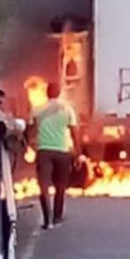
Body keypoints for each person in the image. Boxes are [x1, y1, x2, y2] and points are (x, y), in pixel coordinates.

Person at [28, 83, 82, 230]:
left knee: (44, 186)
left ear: (47, 93)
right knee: (60, 186)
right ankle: (57, 217)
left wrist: (29, 145)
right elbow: (75, 133)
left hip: (44, 151)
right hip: (62, 151)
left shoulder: (37, 109)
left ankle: (47, 220)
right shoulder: (67, 109)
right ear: (59, 93)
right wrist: (78, 154)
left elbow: (30, 131)